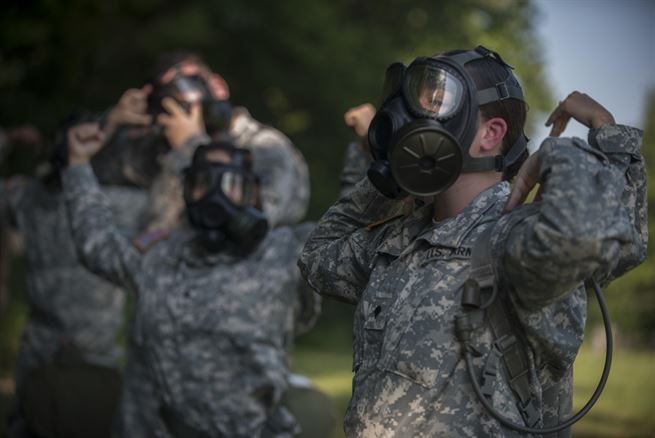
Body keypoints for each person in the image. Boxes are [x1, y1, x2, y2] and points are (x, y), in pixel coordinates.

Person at [299, 45, 647, 437]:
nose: (409, 119)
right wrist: (386, 180)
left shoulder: (515, 238)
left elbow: (596, 240)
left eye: (435, 101)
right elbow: (317, 258)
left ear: (490, 133)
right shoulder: (398, 241)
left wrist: (581, 149)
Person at [62, 122, 317, 437]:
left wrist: (369, 163)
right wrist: (77, 165)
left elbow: (354, 239)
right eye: (202, 182)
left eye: (228, 183)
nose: (213, 195)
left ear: (252, 193)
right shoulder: (159, 256)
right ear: (185, 190)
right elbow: (96, 245)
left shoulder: (285, 254)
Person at [1, 115, 151, 438]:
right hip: (86, 355)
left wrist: (8, 139)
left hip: (52, 353)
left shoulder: (25, 196)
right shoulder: (121, 204)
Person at [100, 52, 310, 231]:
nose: (179, 97)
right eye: (168, 93)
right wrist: (112, 124)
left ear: (218, 86)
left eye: (187, 82)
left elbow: (242, 225)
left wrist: (191, 147)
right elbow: (87, 177)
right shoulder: (162, 145)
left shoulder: (264, 148)